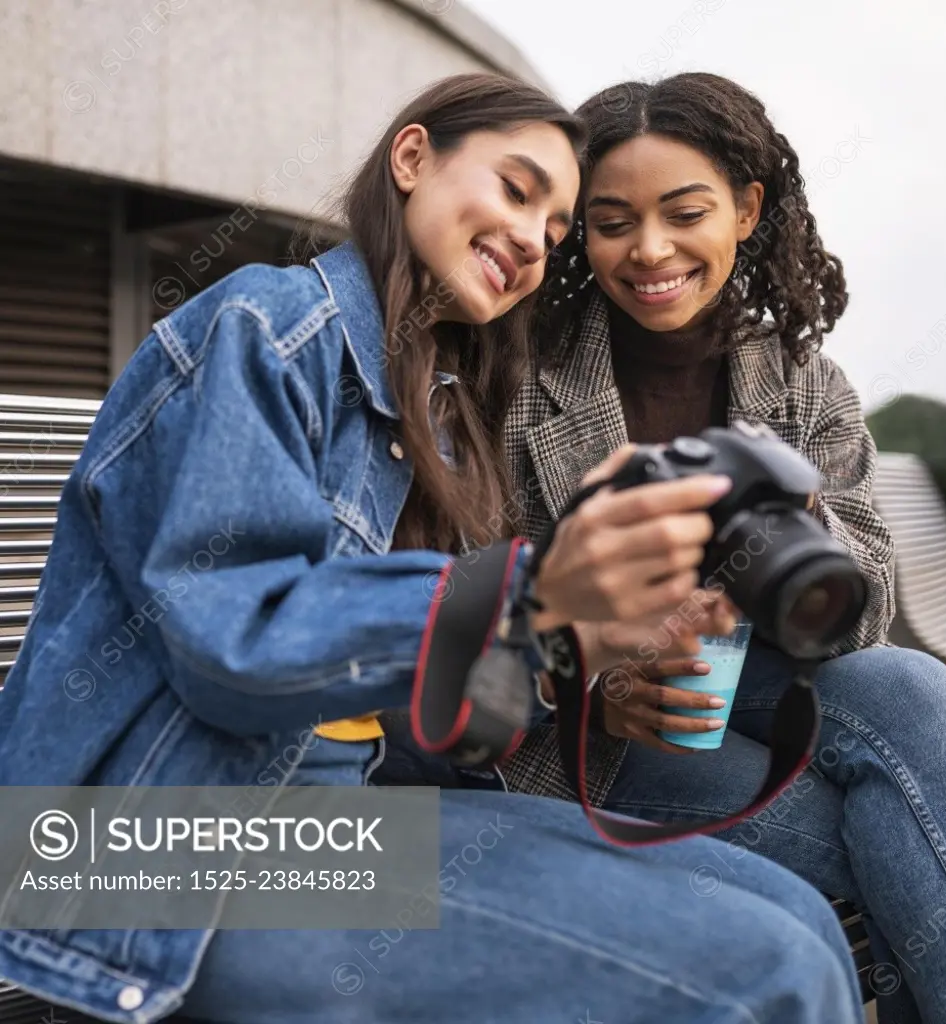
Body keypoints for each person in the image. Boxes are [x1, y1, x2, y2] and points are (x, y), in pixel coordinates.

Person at [0, 73, 864, 1024]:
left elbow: (424, 727)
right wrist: (526, 594)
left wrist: (571, 649)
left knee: (796, 917)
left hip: (346, 824)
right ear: (412, 160)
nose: (535, 238)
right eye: (517, 189)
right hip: (151, 855)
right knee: (770, 969)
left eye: (559, 227)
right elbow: (230, 652)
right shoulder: (267, 327)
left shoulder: (439, 411)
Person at [495, 73, 946, 1024]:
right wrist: (594, 677)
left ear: (744, 210)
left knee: (913, 688)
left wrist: (803, 525)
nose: (649, 249)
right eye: (612, 220)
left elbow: (863, 605)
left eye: (683, 211)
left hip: (786, 678)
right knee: (905, 841)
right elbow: (470, 595)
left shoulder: (801, 380)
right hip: (617, 727)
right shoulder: (521, 383)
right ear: (580, 228)